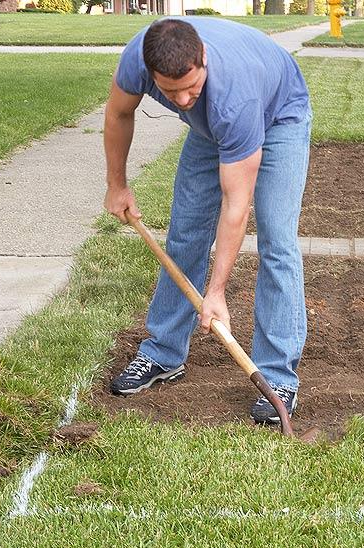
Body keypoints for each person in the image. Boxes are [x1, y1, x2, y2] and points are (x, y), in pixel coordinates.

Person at [104, 17, 312, 424]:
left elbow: (237, 206)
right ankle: (163, 352)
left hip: (279, 114)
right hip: (210, 127)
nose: (182, 100)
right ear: (151, 73)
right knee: (185, 235)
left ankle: (278, 376)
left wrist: (216, 292)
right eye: (170, 91)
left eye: (191, 88)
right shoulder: (137, 58)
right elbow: (117, 114)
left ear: (203, 60)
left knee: (277, 242)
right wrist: (117, 185)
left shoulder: (235, 99)